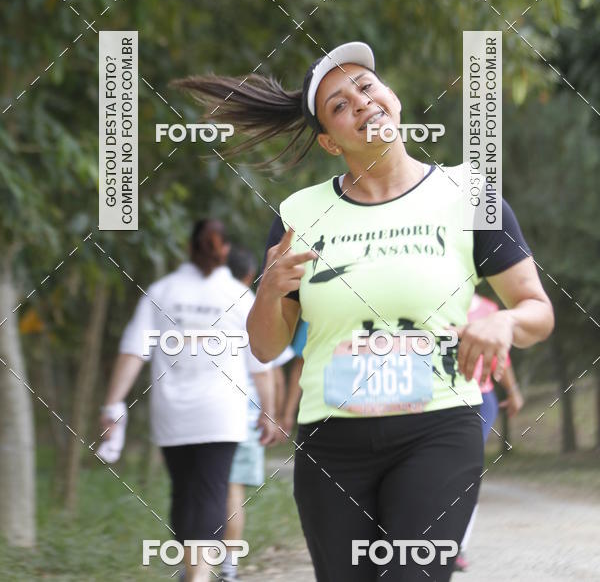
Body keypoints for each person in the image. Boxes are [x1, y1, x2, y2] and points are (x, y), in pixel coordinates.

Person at [175, 42, 555, 581]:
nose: (360, 100)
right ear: (331, 141)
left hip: (439, 427)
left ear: (392, 99)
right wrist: (267, 293)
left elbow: (537, 310)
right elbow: (265, 347)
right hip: (332, 441)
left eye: (366, 85)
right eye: (339, 103)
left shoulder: (470, 192)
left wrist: (504, 321)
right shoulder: (299, 214)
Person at [98, 219, 275, 582]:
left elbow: (133, 351)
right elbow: (260, 363)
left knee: (183, 492)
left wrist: (112, 405)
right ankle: (200, 574)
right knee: (213, 490)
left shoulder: (163, 291)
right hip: (223, 413)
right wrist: (269, 411)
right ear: (224, 250)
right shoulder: (240, 297)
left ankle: (193, 573)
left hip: (173, 412)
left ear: (188, 247)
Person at [222, 244, 286, 581]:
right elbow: (266, 368)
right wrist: (271, 413)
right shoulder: (248, 303)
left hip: (192, 413)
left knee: (196, 488)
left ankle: (194, 567)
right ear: (249, 275)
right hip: (240, 412)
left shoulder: (188, 295)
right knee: (232, 488)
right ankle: (227, 569)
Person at [454, 292, 524, 572]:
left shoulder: (489, 309)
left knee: (466, 470)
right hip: (439, 398)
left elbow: (501, 356)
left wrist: (513, 390)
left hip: (481, 399)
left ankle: (457, 546)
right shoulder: (431, 300)